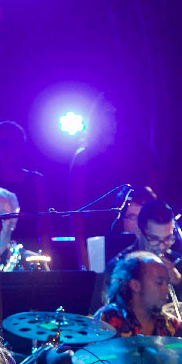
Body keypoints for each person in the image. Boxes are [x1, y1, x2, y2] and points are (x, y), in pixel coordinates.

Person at [66, 94, 161, 269]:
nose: (113, 119)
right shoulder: (84, 157)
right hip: (97, 239)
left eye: (117, 114)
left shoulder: (143, 154)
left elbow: (155, 202)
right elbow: (76, 212)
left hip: (139, 239)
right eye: (108, 114)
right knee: (100, 290)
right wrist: (83, 254)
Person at [0, 121, 50, 252]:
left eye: (14, 143)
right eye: (3, 144)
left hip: (30, 251)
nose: (9, 149)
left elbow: (45, 225)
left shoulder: (36, 180)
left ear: (22, 147)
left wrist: (48, 256)